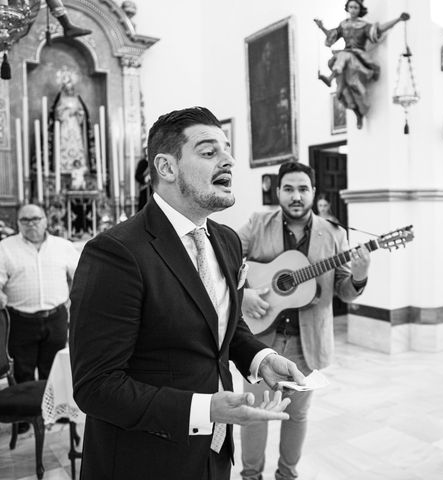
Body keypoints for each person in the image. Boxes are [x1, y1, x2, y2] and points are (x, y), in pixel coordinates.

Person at [69, 107, 306, 480]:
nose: (228, 160)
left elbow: (224, 325)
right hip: (145, 459)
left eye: (227, 150)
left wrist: (260, 358)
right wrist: (205, 409)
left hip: (214, 453)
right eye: (209, 152)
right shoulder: (117, 253)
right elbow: (96, 387)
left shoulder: (226, 241)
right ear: (166, 168)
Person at [237, 161, 371, 480]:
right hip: (259, 340)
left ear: (314, 192)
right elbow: (224, 259)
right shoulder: (258, 223)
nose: (296, 196)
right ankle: (250, 476)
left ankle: (287, 474)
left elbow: (343, 288)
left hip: (306, 341)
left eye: (303, 189)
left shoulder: (334, 233)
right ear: (278, 191)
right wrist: (243, 294)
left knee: (297, 415)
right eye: (289, 188)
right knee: (254, 414)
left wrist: (360, 276)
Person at [0, 204, 79, 385]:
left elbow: (82, 276)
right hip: (20, 321)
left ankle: (52, 412)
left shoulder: (63, 246)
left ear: (45, 221)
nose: (31, 224)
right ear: (18, 223)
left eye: (36, 219)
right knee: (22, 373)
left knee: (54, 374)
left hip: (56, 318)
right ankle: (27, 413)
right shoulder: (5, 248)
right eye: (25, 220)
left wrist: (73, 300)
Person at [314, 0, 409, 129]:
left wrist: (398, 19)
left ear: (360, 10)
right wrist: (322, 27)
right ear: (347, 8)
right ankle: (357, 114)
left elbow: (379, 29)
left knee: (346, 58)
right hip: (344, 63)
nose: (353, 10)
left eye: (356, 7)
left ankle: (330, 78)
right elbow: (332, 37)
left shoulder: (363, 25)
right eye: (351, 7)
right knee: (340, 92)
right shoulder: (343, 25)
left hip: (358, 57)